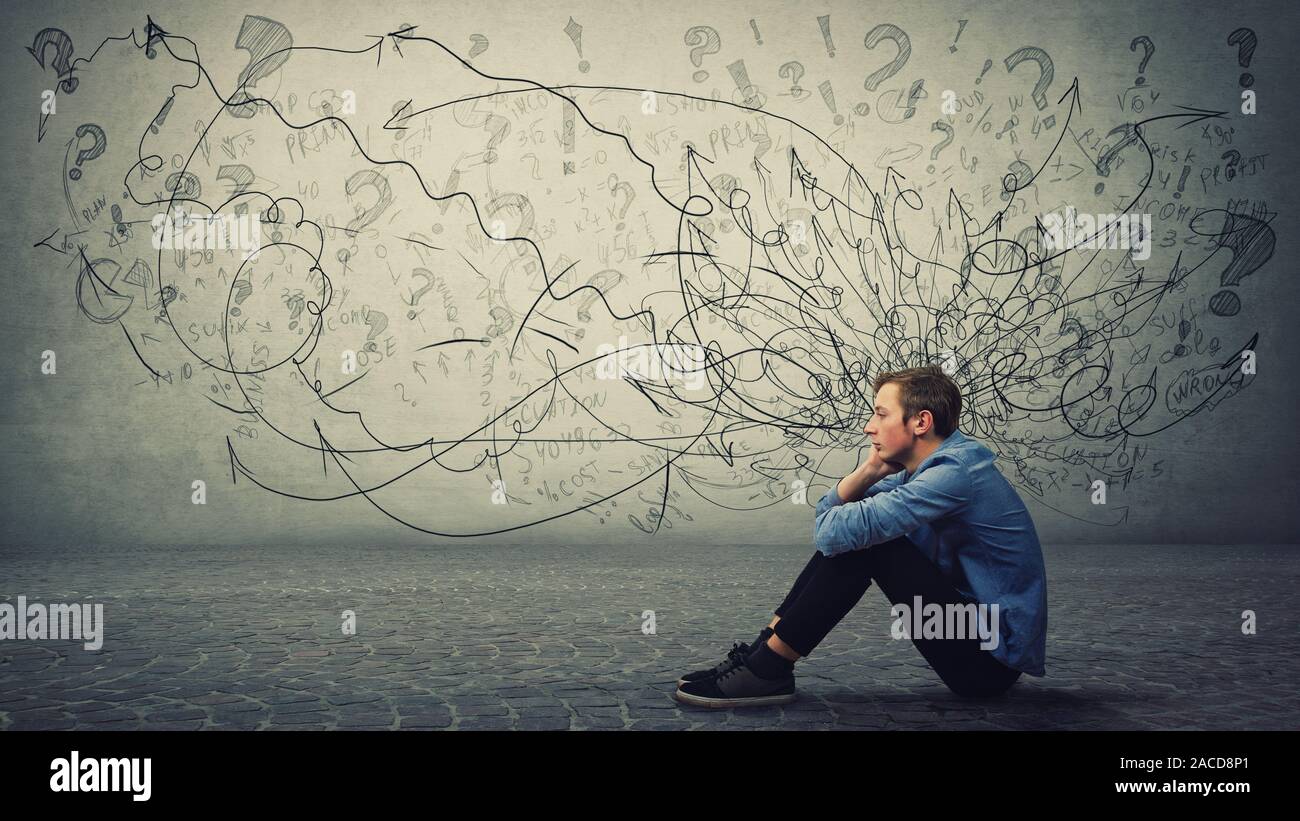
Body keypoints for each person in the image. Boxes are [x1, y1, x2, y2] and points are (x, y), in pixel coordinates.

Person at [674, 364, 1048, 708]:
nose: (870, 426)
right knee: (860, 536)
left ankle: (767, 668)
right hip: (969, 636)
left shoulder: (954, 473)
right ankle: (760, 659)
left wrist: (860, 490)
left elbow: (830, 532)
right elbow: (829, 520)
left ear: (921, 422)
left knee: (871, 544)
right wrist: (869, 471)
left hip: (988, 662)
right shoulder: (927, 470)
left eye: (880, 414)